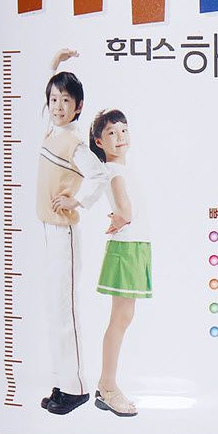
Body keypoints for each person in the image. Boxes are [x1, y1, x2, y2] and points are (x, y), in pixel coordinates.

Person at [36, 48, 108, 415]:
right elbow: (43, 93)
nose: (58, 106)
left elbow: (99, 175)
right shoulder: (52, 131)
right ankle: (62, 381)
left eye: (66, 100)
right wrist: (54, 64)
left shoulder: (74, 143)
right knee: (53, 308)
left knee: (65, 310)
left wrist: (76, 201)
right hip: (48, 231)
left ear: (78, 107)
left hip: (63, 234)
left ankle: (75, 388)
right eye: (53, 99)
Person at [89, 108, 152, 417]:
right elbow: (126, 212)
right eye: (111, 132)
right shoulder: (114, 172)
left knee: (123, 318)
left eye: (123, 130)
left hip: (133, 247)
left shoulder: (120, 170)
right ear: (99, 142)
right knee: (121, 318)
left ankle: (107, 385)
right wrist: (118, 218)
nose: (120, 136)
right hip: (127, 249)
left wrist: (119, 217)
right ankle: (108, 387)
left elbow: (125, 212)